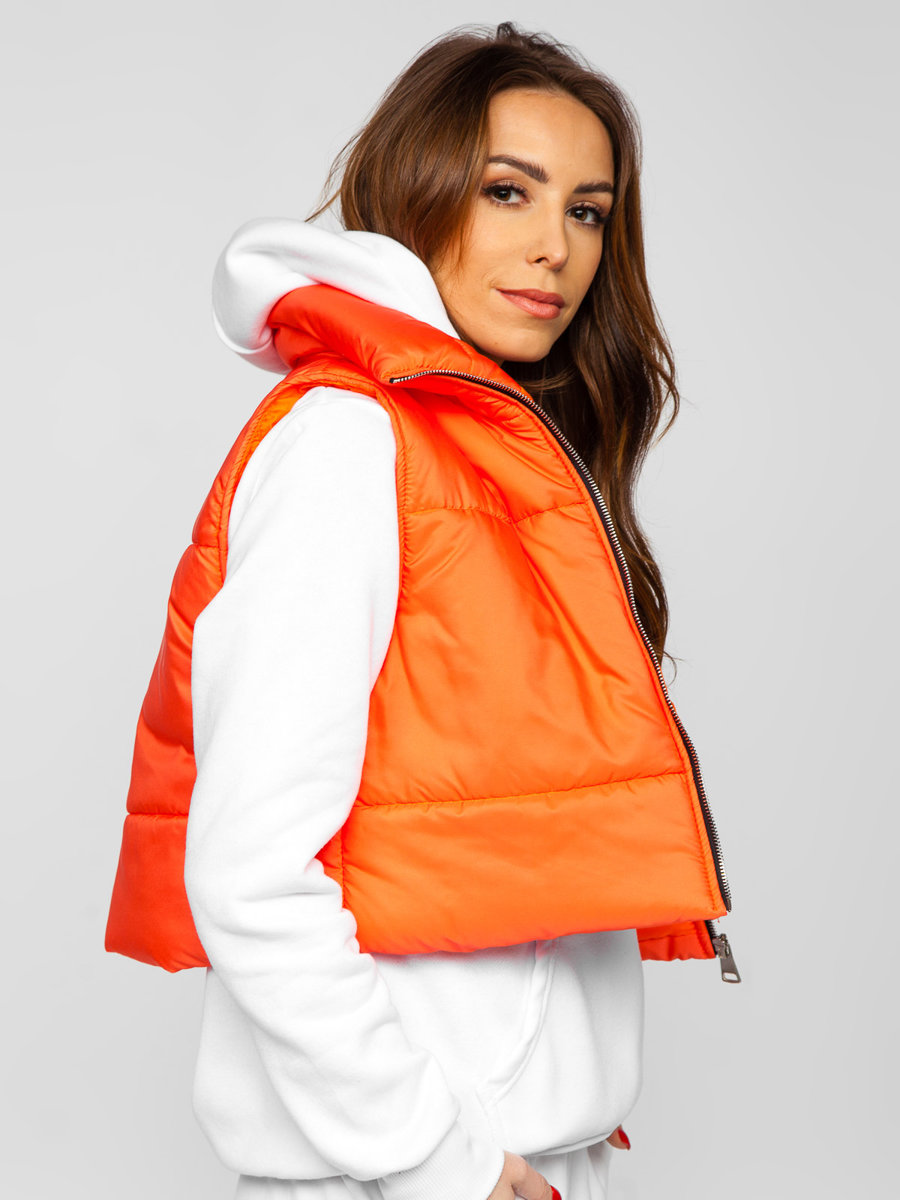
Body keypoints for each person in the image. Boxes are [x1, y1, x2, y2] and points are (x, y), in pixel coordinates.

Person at [104, 21, 737, 1200]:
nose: (554, 247)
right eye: (508, 191)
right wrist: (441, 1159)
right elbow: (250, 868)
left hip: (518, 1156)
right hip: (416, 1170)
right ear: (417, 188)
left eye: (588, 211)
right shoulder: (349, 442)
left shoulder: (499, 458)